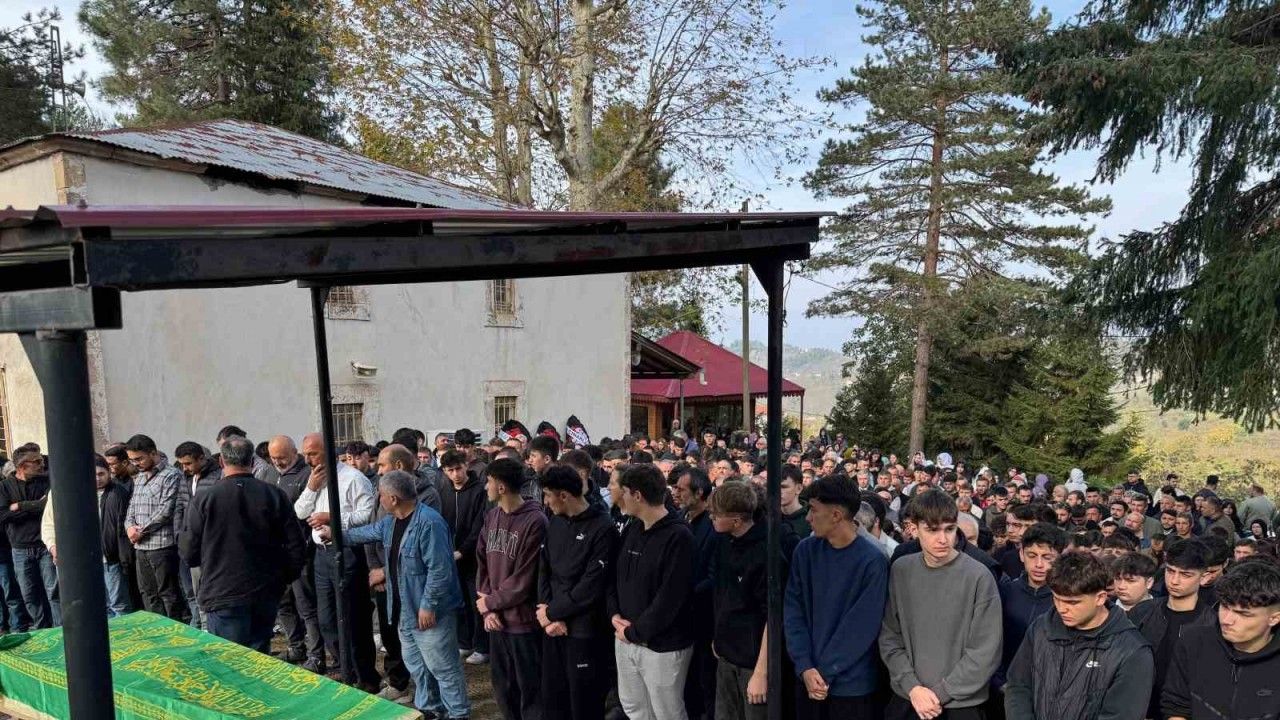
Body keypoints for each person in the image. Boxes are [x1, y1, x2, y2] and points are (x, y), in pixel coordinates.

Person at [344, 469, 471, 720]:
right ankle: (430, 708)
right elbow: (366, 533)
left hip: (429, 612)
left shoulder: (430, 523)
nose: (378, 499)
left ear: (393, 499)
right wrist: (335, 534)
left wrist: (428, 605)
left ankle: (458, 713)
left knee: (443, 667)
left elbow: (440, 570)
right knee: (418, 665)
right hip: (405, 609)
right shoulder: (392, 522)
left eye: (381, 495)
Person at [880, 489, 1002, 720]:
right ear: (913, 528)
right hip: (909, 700)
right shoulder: (901, 570)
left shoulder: (979, 576)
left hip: (961, 706)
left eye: (949, 529)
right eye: (932, 530)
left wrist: (938, 694)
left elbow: (986, 650)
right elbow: (890, 637)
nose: (943, 539)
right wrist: (912, 687)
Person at [179, 436, 305, 652]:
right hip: (264, 591)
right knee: (258, 656)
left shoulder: (204, 499)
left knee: (230, 661)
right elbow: (296, 546)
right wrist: (282, 579)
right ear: (252, 461)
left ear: (221, 462)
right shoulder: (274, 495)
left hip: (223, 591)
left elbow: (189, 551)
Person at [784, 477, 888, 720]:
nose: (808, 517)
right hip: (807, 679)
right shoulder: (805, 551)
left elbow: (862, 626)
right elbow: (793, 611)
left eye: (813, 509)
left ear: (836, 515)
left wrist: (824, 672)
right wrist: (805, 666)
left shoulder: (873, 560)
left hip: (851, 688)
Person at [1004, 551, 1153, 720]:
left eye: (1073, 602)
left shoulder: (1132, 652)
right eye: (1056, 598)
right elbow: (1018, 686)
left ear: (1100, 598)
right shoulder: (1041, 628)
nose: (1062, 608)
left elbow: (1121, 715)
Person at [608, 463, 695, 720]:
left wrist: (634, 632)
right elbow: (614, 577)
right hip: (624, 636)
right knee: (634, 707)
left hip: (662, 646)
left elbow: (670, 598)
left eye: (624, 491)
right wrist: (614, 614)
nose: (620, 497)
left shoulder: (679, 536)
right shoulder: (633, 528)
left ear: (637, 495)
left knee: (667, 712)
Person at [293, 433, 380, 691]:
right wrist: (311, 488)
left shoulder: (353, 478)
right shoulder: (312, 478)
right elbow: (299, 511)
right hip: (321, 555)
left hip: (348, 552)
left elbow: (367, 515)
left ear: (328, 451)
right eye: (305, 454)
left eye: (313, 453)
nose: (307, 459)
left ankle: (366, 678)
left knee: (353, 618)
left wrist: (332, 518)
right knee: (327, 618)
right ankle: (345, 669)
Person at [537, 465, 618, 720]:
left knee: (583, 703)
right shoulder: (555, 522)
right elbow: (544, 569)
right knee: (553, 700)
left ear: (564, 495)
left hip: (585, 631)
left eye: (548, 495)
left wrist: (553, 612)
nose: (546, 502)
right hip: (552, 627)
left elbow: (591, 585)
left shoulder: (603, 528)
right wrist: (546, 612)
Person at [1161, 558, 1280, 720]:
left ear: (1274, 618)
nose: (1227, 620)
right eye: (1224, 606)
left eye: (1243, 614)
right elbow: (1176, 706)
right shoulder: (1193, 642)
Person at [476, 458, 548, 720]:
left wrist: (490, 603)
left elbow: (524, 578)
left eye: (489, 481)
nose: (486, 487)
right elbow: (481, 562)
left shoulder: (536, 521)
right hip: (496, 620)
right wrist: (488, 609)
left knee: (530, 689)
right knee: (503, 687)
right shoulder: (491, 516)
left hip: (522, 622)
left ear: (501, 486)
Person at [709, 482, 784, 720]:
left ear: (736, 520)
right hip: (726, 655)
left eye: (716, 514)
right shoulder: (724, 542)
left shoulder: (767, 554)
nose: (711, 517)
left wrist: (761, 672)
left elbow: (773, 617)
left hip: (753, 663)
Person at [1138, 538, 1217, 720]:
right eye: (1170, 571)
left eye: (1185, 575)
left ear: (1204, 577)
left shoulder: (1213, 625)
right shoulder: (1142, 612)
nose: (1174, 581)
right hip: (1140, 708)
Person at [268, 435, 323, 670]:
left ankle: (317, 654)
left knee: (306, 606)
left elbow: (304, 513)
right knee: (284, 603)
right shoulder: (269, 475)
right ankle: (296, 646)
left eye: (281, 457)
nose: (277, 462)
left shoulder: (307, 475)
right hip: (276, 552)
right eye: (273, 458)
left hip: (301, 551)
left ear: (294, 453)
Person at [993, 522, 1067, 694]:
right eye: (1032, 555)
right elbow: (989, 641)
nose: (1039, 564)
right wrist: (999, 682)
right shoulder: (1003, 592)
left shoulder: (1067, 599)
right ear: (1021, 554)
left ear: (1060, 558)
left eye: (1047, 557)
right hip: (1002, 688)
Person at [123, 434, 188, 622]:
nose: (136, 464)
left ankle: (175, 629)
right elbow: (132, 507)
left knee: (168, 593)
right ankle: (156, 628)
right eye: (132, 460)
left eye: (139, 459)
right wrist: (129, 528)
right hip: (140, 546)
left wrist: (140, 530)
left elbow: (166, 510)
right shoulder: (139, 477)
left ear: (153, 453)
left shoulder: (171, 475)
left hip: (162, 545)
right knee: (148, 593)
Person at [436, 448, 490, 666]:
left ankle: (482, 646)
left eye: (458, 468)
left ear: (466, 466)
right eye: (450, 470)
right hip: (451, 557)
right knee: (458, 602)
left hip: (474, 558)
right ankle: (464, 641)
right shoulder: (444, 492)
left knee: (477, 602)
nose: (456, 474)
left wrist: (463, 551)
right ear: (444, 471)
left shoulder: (479, 491)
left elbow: (480, 526)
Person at [672, 465, 717, 720]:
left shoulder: (713, 525)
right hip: (681, 620)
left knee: (704, 683)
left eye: (681, 489)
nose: (676, 493)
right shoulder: (680, 518)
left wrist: (684, 593)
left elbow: (713, 576)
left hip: (702, 619)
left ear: (699, 492)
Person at [0, 449, 57, 629]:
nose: (42, 465)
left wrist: (20, 506)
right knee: (29, 595)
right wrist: (34, 507)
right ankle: (41, 629)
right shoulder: (4, 487)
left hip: (44, 545)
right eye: (37, 462)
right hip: (20, 548)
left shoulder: (46, 481)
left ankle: (60, 628)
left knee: (53, 591)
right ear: (23, 466)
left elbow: (47, 505)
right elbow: (3, 515)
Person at [781, 465, 810, 538]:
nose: (778, 491)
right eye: (774, 486)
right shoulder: (768, 515)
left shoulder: (811, 519)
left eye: (784, 487)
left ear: (799, 488)